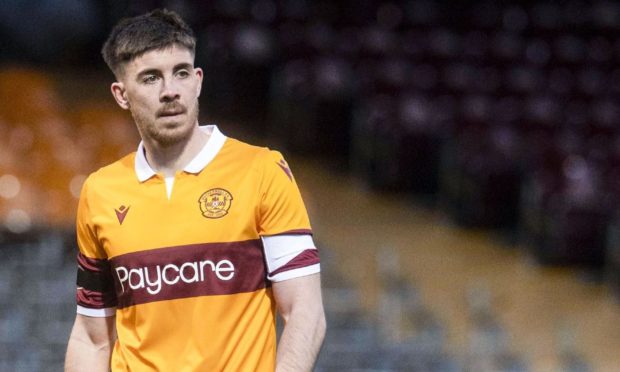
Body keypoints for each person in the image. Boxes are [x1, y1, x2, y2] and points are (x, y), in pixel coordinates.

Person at [64, 9, 326, 372]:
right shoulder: (100, 191)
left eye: (181, 73)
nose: (170, 91)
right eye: (151, 78)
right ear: (121, 94)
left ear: (198, 80)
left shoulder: (262, 170)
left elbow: (305, 312)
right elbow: (92, 338)